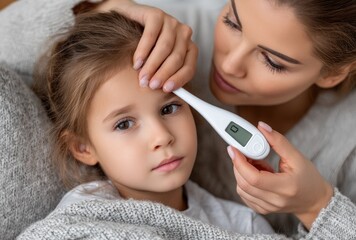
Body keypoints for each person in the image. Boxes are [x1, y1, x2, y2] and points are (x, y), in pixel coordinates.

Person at [1, 0, 354, 238]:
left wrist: (316, 205)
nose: (228, 65)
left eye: (273, 61)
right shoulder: (160, 41)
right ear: (81, 146)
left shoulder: (243, 222)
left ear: (333, 73)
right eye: (232, 21)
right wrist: (99, 7)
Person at [31, 10, 274, 235]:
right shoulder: (78, 222)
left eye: (169, 108)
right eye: (124, 124)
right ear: (83, 147)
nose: (162, 136)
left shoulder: (244, 226)